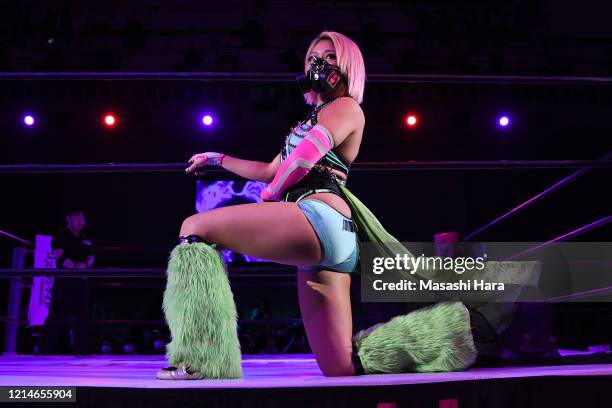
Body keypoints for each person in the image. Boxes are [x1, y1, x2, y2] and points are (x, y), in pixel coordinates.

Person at [157, 31, 476, 380]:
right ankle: (452, 331)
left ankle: (201, 359)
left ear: (347, 67)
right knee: (340, 366)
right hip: (330, 234)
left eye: (329, 58)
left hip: (317, 216)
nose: (317, 64)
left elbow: (301, 163)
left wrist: (271, 194)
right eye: (312, 58)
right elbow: (269, 169)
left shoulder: (345, 107)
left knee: (195, 227)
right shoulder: (315, 117)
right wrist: (217, 158)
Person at [39, 208, 94, 355]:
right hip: (65, 280)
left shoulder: (85, 237)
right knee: (57, 315)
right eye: (77, 216)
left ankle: (81, 350)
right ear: (68, 218)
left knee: (82, 315)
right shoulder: (61, 235)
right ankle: (46, 350)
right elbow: (58, 256)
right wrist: (75, 266)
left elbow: (91, 257)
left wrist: (86, 265)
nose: (80, 220)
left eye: (82, 217)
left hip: (82, 280)